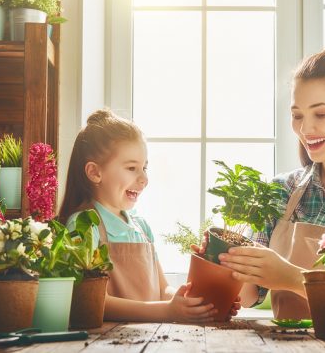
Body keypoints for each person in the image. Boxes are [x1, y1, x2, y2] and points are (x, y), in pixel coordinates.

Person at [195, 46, 325, 319]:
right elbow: (248, 295)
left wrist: (292, 278)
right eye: (297, 115)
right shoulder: (282, 190)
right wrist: (223, 263)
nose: (305, 129)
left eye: (320, 114)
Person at [59, 109, 239, 322]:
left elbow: (164, 291)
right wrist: (167, 311)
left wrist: (198, 303)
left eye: (145, 167)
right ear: (95, 172)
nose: (144, 178)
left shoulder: (141, 227)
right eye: (132, 168)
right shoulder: (83, 226)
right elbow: (92, 303)